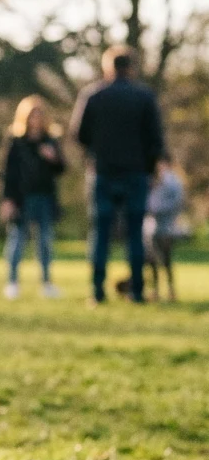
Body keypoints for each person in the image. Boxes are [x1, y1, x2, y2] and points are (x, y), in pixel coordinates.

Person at [70, 45, 165, 305]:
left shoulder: (93, 95)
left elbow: (78, 134)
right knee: (135, 233)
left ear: (107, 67)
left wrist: (96, 153)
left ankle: (97, 291)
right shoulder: (144, 97)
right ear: (131, 67)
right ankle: (136, 291)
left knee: (100, 233)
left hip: (103, 172)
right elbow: (156, 138)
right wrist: (151, 166)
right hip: (136, 173)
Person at [0, 95, 66, 300]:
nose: (35, 120)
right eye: (32, 115)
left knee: (45, 242)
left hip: (45, 197)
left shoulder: (50, 141)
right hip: (22, 198)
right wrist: (7, 199)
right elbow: (7, 173)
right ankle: (12, 282)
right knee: (17, 241)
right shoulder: (16, 142)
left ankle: (46, 283)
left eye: (39, 115)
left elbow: (62, 168)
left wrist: (52, 158)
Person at [145, 157, 185, 302]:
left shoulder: (173, 182)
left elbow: (177, 203)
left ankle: (171, 291)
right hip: (151, 227)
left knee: (166, 260)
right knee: (152, 262)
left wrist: (158, 210)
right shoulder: (152, 179)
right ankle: (155, 291)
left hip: (166, 227)